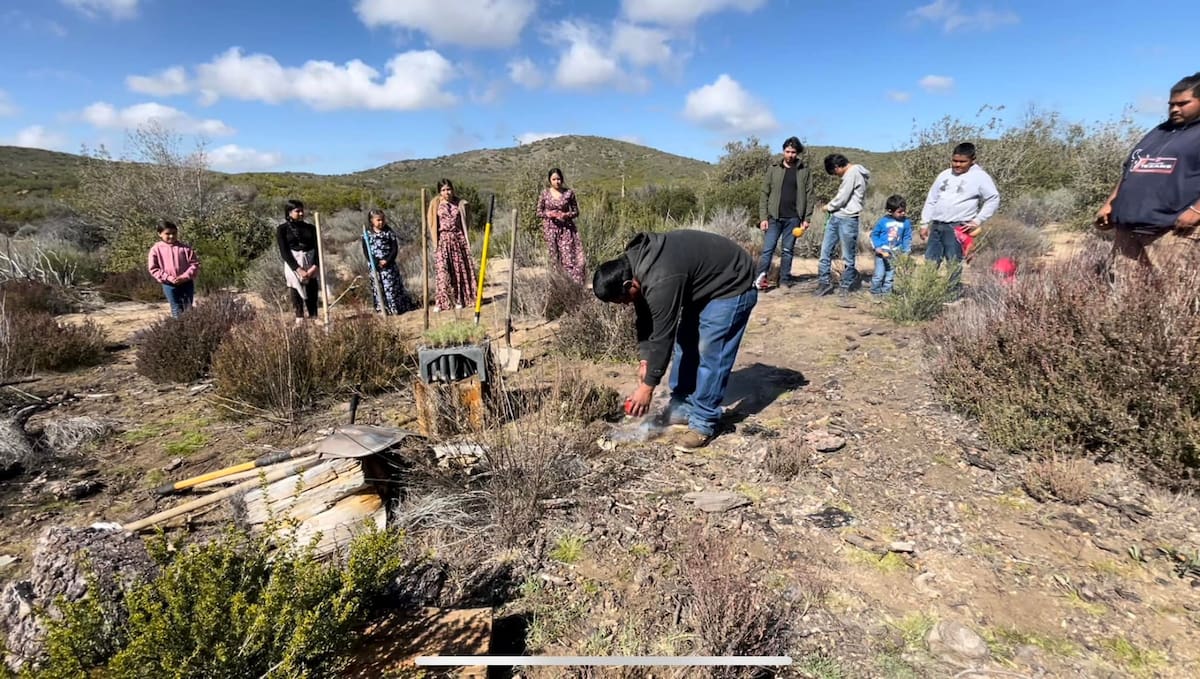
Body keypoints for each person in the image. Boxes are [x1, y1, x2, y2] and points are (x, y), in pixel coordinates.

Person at [592, 230, 757, 450]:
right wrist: (645, 360)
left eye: (621, 300)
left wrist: (647, 388)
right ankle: (683, 405)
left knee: (711, 353)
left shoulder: (660, 279)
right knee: (686, 343)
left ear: (628, 285)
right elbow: (645, 320)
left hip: (732, 282)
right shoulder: (635, 267)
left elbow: (662, 336)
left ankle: (703, 423)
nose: (623, 305)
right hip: (703, 284)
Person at [1095, 71, 1200, 277]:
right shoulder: (1159, 131)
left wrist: (1196, 212)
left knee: (1174, 297)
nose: (1174, 109)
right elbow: (1132, 168)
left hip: (1174, 232)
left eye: (1182, 103)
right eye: (1171, 104)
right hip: (1129, 230)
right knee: (1125, 296)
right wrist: (1110, 204)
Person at [919, 142, 1000, 294]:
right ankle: (925, 293)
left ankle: (951, 294)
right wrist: (924, 223)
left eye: (962, 162)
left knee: (953, 262)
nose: (957, 164)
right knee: (931, 260)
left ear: (972, 160)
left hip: (958, 227)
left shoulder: (980, 177)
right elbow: (931, 199)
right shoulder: (944, 174)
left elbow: (993, 198)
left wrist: (977, 220)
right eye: (955, 161)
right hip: (937, 224)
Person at [756, 136, 814, 290]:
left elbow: (809, 194)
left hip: (794, 219)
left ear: (797, 153)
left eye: (793, 152)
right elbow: (764, 194)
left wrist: (806, 218)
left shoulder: (804, 171)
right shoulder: (773, 169)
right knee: (768, 250)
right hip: (774, 218)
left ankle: (784, 281)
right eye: (787, 151)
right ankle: (760, 280)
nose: (790, 155)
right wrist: (763, 217)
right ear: (783, 151)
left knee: (787, 251)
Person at [815, 154, 870, 297]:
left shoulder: (853, 173)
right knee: (825, 251)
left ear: (837, 167)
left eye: (834, 172)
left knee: (847, 256)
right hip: (836, 217)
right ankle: (824, 282)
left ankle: (846, 285)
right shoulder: (851, 174)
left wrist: (829, 206)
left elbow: (843, 197)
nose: (836, 175)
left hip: (848, 219)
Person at [426, 179, 475, 311]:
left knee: (458, 270)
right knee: (442, 271)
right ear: (439, 192)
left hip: (457, 239)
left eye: (448, 189)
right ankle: (442, 301)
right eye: (443, 190)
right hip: (443, 239)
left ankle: (459, 299)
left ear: (452, 190)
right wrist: (434, 242)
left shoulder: (459, 204)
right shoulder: (435, 204)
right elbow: (431, 223)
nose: (446, 192)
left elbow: (466, 220)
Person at [536, 167, 587, 284]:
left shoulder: (569, 193)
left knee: (569, 257)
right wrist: (549, 214)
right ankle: (557, 284)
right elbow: (539, 212)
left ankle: (572, 285)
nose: (557, 182)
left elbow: (576, 211)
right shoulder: (544, 194)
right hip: (550, 230)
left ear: (562, 179)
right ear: (549, 180)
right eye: (554, 179)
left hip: (567, 230)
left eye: (558, 179)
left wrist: (566, 215)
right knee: (554, 258)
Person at [277, 199, 321, 322]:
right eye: (298, 211)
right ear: (289, 212)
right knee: (295, 288)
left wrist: (315, 266)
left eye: (302, 211)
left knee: (312, 288)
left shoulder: (311, 228)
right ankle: (299, 317)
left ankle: (313, 316)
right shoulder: (282, 229)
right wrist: (298, 268)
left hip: (310, 260)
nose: (301, 213)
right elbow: (284, 251)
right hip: (293, 262)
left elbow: (318, 248)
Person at [361, 209, 411, 315]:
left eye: (382, 220)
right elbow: (366, 250)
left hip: (389, 266)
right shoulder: (367, 234)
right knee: (377, 287)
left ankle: (395, 308)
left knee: (391, 287)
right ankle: (381, 309)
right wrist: (375, 261)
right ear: (371, 221)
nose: (381, 222)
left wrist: (387, 260)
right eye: (378, 220)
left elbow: (394, 248)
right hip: (375, 266)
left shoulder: (389, 232)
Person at [146, 219, 199, 318]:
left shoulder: (185, 248)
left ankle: (190, 328)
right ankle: (179, 329)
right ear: (160, 234)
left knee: (188, 307)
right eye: (168, 233)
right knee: (176, 308)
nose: (171, 236)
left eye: (174, 233)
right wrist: (169, 278)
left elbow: (194, 265)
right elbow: (154, 268)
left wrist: (184, 277)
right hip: (169, 284)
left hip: (186, 283)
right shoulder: (156, 249)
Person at [869, 195, 913, 295]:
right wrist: (878, 247)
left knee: (890, 275)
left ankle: (886, 294)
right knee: (879, 275)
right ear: (890, 211)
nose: (903, 213)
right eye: (900, 211)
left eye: (904, 210)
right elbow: (874, 235)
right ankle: (875, 292)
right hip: (882, 252)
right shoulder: (883, 221)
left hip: (896, 252)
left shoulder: (906, 222)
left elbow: (907, 237)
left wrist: (906, 251)